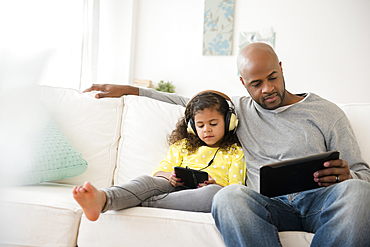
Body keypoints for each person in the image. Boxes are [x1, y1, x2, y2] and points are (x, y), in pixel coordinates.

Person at [84, 42, 370, 246]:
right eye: (256, 83)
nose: (268, 89)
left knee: (358, 192)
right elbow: (189, 103)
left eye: (273, 77)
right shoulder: (238, 111)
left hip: (318, 202)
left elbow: (363, 175)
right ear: (243, 83)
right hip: (269, 204)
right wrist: (130, 90)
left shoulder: (327, 112)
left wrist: (349, 176)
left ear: (281, 68)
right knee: (229, 196)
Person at [73, 90, 246, 221]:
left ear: (229, 122)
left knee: (214, 193)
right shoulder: (184, 146)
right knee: (148, 181)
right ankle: (103, 198)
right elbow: (159, 172)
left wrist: (216, 184)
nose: (206, 129)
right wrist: (169, 176)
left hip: (203, 194)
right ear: (192, 127)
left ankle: (142, 202)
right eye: (200, 125)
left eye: (213, 123)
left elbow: (236, 191)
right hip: (173, 187)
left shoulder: (235, 152)